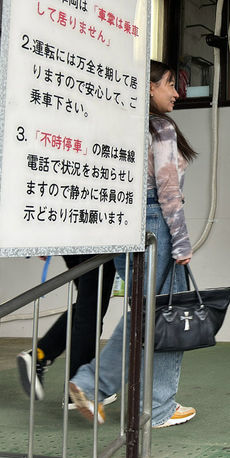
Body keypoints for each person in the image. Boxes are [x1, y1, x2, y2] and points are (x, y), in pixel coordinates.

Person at [69, 60, 199, 427]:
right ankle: (157, 407)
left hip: (125, 226)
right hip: (157, 222)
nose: (176, 92)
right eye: (170, 84)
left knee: (143, 315)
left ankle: (92, 383)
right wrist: (182, 242)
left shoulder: (120, 129)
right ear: (148, 88)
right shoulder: (161, 128)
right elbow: (169, 191)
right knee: (166, 315)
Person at [16, 254, 116, 404]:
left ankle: (41, 354)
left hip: (74, 239)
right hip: (98, 239)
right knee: (90, 309)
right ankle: (79, 386)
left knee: (88, 305)